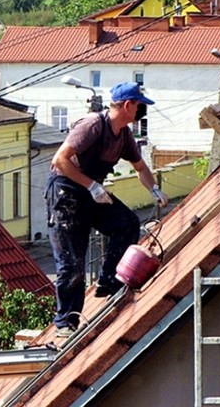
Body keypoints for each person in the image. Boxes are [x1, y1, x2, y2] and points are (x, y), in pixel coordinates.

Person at [45, 81, 169, 338]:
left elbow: (141, 168)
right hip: (65, 193)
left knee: (126, 224)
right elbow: (60, 160)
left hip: (92, 193)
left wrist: (154, 190)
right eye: (138, 106)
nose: (140, 112)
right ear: (127, 105)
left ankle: (109, 281)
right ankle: (66, 323)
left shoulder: (124, 135)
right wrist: (91, 186)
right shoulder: (92, 125)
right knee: (72, 263)